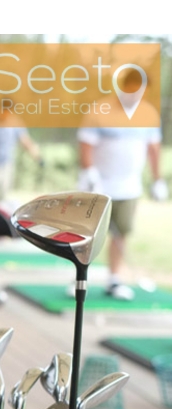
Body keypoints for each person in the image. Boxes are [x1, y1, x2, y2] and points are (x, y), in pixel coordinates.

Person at [76, 71, 166, 301]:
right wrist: (89, 171)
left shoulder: (148, 113)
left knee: (121, 233)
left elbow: (153, 149)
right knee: (87, 235)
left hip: (128, 186)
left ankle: (114, 279)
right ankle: (78, 277)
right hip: (98, 185)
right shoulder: (100, 109)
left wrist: (158, 179)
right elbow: (85, 145)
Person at [0, 113, 42, 210]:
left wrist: (37, 156)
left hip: (6, 165)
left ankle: (0, 217)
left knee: (3, 197)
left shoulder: (15, 124)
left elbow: (24, 140)